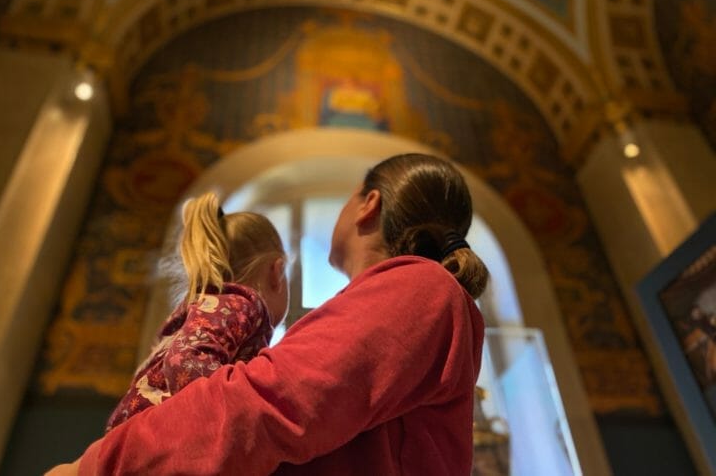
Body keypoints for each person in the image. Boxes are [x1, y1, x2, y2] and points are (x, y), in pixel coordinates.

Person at [46, 152, 488, 476]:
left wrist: (98, 464)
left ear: (368, 204)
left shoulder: (419, 288)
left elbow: (270, 400)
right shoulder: (407, 296)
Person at [105, 192, 289, 431]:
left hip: (132, 430)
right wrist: (236, 410)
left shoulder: (206, 308)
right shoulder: (242, 305)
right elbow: (185, 361)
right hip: (158, 433)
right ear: (277, 272)